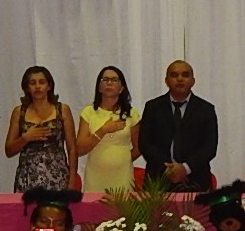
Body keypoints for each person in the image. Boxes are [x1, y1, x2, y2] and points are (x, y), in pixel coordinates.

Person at [138, 60, 218, 192]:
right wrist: (168, 169)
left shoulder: (206, 109)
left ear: (193, 80)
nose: (180, 79)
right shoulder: (153, 107)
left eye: (185, 75)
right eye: (174, 75)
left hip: (196, 179)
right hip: (159, 179)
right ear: (166, 81)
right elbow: (145, 143)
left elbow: (210, 147)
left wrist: (185, 168)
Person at [6, 65, 76, 193]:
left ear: (49, 86)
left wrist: (72, 181)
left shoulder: (62, 110)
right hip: (27, 178)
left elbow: (72, 149)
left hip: (58, 176)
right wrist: (25, 138)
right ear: (27, 88)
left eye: (42, 82)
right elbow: (9, 150)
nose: (38, 87)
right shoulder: (19, 112)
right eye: (33, 83)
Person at [76, 65, 140, 194]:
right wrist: (103, 130)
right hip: (95, 177)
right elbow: (79, 149)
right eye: (105, 80)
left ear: (122, 88)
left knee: (124, 213)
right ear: (99, 87)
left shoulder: (132, 114)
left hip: (122, 175)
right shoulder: (89, 112)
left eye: (114, 80)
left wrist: (121, 159)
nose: (109, 83)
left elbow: (139, 148)